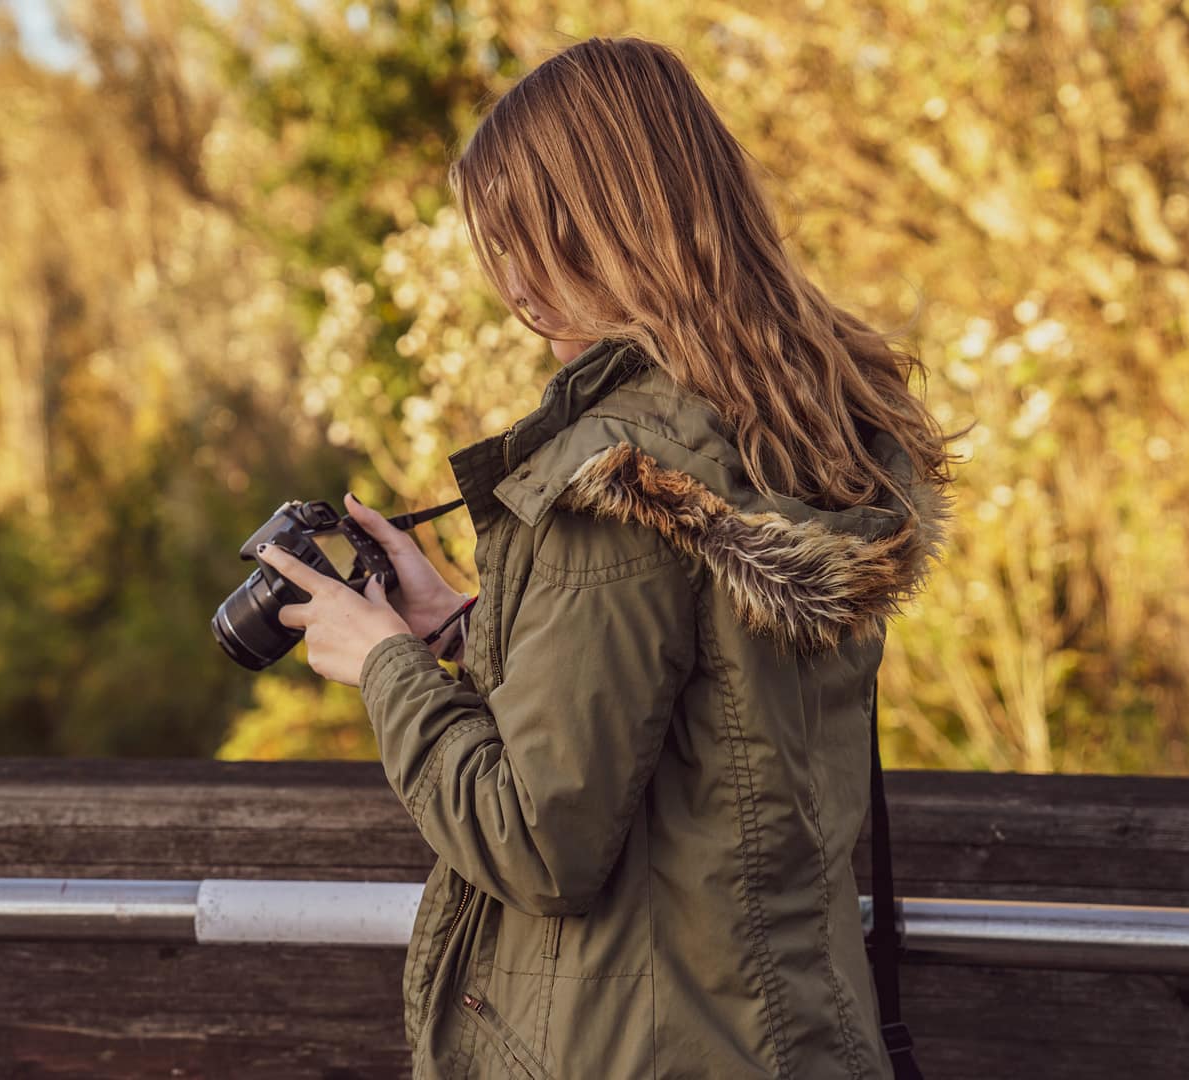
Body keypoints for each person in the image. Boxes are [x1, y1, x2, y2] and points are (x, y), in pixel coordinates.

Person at [255, 34, 961, 1080]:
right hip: (794, 1036)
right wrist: (462, 629)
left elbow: (537, 844)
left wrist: (384, 665)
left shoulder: (621, 478)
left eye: (517, 242)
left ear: (591, 233)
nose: (511, 285)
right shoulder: (800, 433)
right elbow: (707, 721)